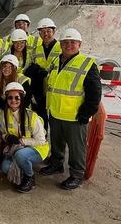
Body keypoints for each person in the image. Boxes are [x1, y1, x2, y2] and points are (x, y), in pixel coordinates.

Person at [40, 28, 101, 190]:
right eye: (65, 42)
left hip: (74, 116)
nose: (68, 45)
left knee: (77, 148)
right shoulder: (56, 61)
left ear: (79, 44)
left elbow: (95, 93)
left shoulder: (87, 64)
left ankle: (76, 175)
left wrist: (86, 113)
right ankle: (56, 164)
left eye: (72, 42)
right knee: (57, 143)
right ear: (60, 44)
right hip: (55, 112)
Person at [0, 81, 50, 193]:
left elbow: (41, 140)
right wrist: (7, 137)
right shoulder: (1, 114)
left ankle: (29, 177)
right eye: (10, 98)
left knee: (21, 155)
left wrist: (22, 141)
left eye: (17, 97)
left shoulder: (32, 116)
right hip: (15, 148)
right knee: (5, 168)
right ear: (6, 99)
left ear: (22, 99)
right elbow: (3, 133)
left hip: (38, 148)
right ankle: (23, 168)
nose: (13, 100)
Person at [24, 17, 61, 122]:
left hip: (55, 90)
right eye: (42, 32)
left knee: (55, 120)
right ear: (39, 33)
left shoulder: (61, 48)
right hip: (40, 91)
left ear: (54, 31)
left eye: (48, 31)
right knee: (41, 119)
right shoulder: (36, 50)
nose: (46, 34)